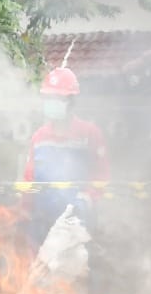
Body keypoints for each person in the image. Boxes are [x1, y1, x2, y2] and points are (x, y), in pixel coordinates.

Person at [24, 66, 109, 241]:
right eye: (48, 98)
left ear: (71, 101)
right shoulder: (39, 137)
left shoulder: (89, 133)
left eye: (57, 98)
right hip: (41, 222)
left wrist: (87, 199)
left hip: (78, 222)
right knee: (39, 267)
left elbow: (102, 176)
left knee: (76, 266)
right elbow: (29, 179)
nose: (51, 102)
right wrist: (22, 211)